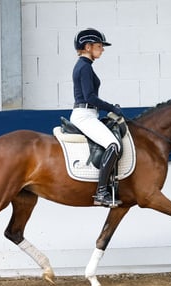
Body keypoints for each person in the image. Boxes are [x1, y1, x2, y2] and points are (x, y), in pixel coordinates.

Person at [71, 28, 124, 208]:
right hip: (84, 115)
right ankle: (101, 192)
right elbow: (90, 97)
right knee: (114, 145)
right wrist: (112, 108)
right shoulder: (84, 67)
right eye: (99, 46)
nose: (102, 49)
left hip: (89, 114)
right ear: (88, 47)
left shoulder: (86, 66)